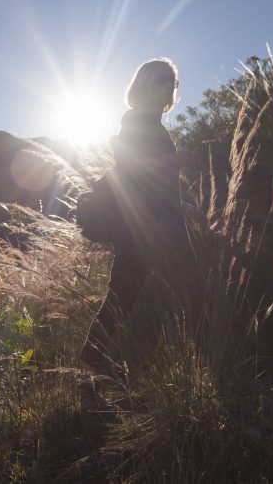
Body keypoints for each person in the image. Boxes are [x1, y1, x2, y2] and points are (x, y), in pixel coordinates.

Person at [80, 57, 200, 374]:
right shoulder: (137, 122)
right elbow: (135, 170)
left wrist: (185, 207)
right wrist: (181, 158)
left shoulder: (147, 123)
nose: (170, 86)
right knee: (193, 293)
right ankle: (211, 365)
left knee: (121, 300)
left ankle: (87, 369)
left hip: (151, 225)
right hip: (153, 228)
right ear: (145, 83)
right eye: (163, 79)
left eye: (173, 81)